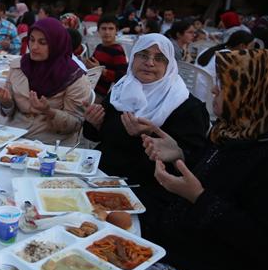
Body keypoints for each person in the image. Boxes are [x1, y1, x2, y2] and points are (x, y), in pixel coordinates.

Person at [140, 49, 268, 270]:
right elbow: (219, 180)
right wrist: (180, 154)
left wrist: (199, 198)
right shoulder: (237, 132)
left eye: (224, 85)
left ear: (255, 93)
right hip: (183, 245)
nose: (214, 89)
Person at [82, 34, 209, 192]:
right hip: (101, 177)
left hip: (148, 189)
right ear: (133, 58)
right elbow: (100, 137)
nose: (149, 63)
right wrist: (96, 123)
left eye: (160, 58)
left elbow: (193, 163)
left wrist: (150, 135)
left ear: (170, 66)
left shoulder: (187, 107)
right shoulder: (121, 90)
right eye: (143, 55)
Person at [0, 17, 90, 145]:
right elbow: (10, 111)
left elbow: (76, 123)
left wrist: (48, 111)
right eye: (31, 40)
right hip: (14, 136)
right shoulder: (18, 67)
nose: (34, 47)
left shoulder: (73, 76)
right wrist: (6, 102)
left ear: (56, 44)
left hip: (51, 143)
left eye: (42, 42)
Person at [84, 15, 128, 100]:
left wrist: (100, 70)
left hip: (102, 95)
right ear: (98, 31)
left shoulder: (117, 51)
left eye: (111, 29)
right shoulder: (99, 47)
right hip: (90, 87)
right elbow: (92, 65)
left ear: (116, 31)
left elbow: (122, 77)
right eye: (103, 29)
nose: (107, 32)